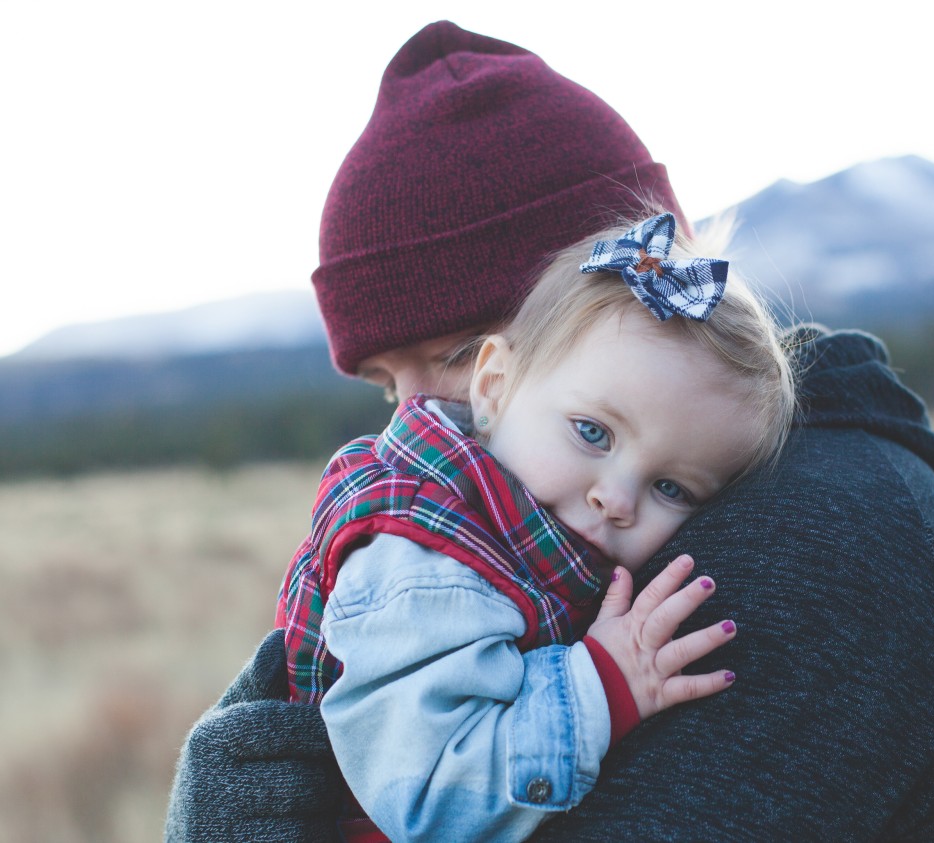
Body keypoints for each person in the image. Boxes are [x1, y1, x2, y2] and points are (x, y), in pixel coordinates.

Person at [166, 19, 934, 843]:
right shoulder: (561, 524)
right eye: (387, 384)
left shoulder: (810, 551)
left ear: (624, 298)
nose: (419, 418)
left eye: (462, 353)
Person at [277, 211, 795, 842]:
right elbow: (434, 802)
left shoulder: (526, 531)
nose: (616, 499)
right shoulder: (425, 562)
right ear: (493, 387)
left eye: (671, 487)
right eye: (592, 432)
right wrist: (602, 683)